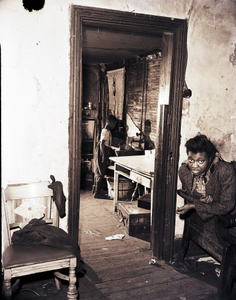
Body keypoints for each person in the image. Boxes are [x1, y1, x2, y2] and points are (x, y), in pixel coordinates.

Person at [176, 134, 236, 221]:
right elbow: (187, 194)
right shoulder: (184, 171)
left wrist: (194, 205)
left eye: (200, 161)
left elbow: (226, 207)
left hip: (223, 219)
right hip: (199, 217)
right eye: (191, 160)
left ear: (210, 159)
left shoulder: (225, 171)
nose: (194, 165)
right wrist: (200, 202)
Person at [93, 115, 118, 198]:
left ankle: (96, 189)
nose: (114, 126)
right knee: (100, 171)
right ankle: (97, 193)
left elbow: (107, 144)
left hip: (103, 151)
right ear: (109, 123)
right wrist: (103, 155)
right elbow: (102, 144)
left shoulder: (107, 130)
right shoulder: (105, 131)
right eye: (114, 124)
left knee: (99, 170)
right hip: (102, 152)